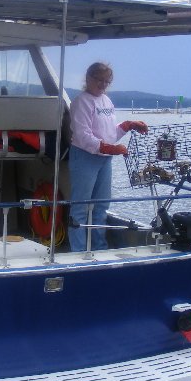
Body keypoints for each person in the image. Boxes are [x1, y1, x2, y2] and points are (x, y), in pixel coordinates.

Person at [68, 62, 148, 252]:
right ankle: (78, 251)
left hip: (104, 159)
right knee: (80, 207)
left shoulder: (107, 101)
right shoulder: (80, 102)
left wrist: (128, 125)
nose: (103, 84)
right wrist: (109, 148)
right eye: (99, 80)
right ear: (88, 78)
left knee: (101, 206)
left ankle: (99, 248)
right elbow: (82, 135)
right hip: (84, 158)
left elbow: (111, 133)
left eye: (107, 81)